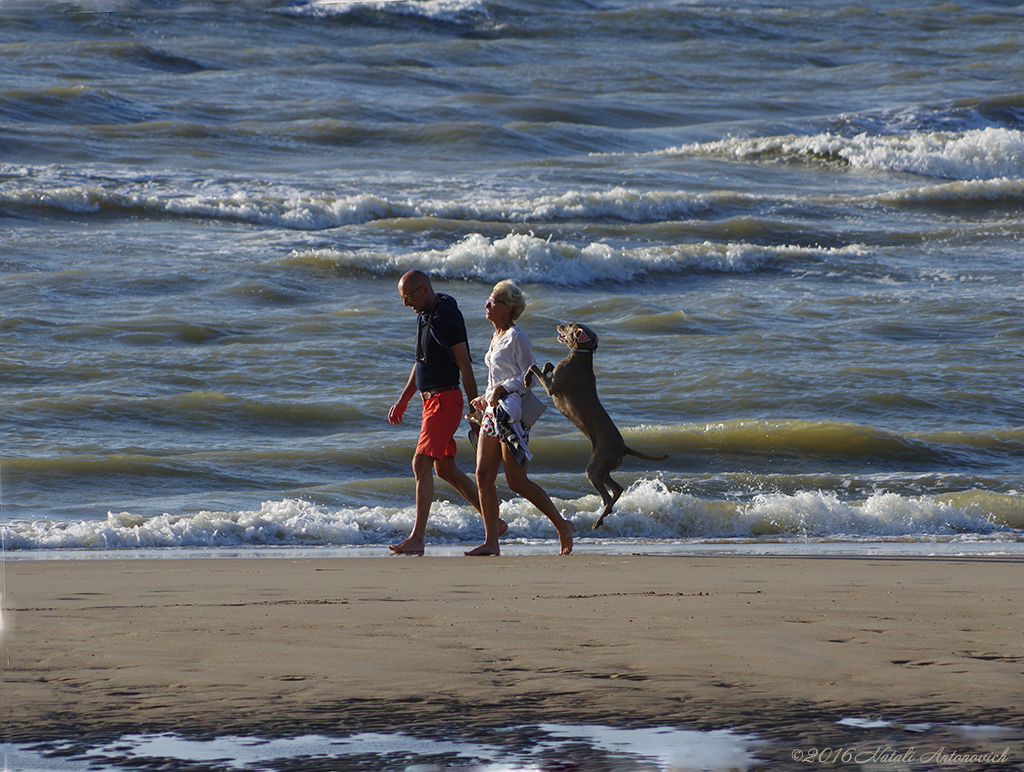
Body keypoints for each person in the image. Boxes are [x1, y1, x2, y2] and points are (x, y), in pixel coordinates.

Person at [465, 280, 574, 556]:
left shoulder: (517, 336)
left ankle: (562, 525)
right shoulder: (495, 337)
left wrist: (504, 388)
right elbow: (496, 377)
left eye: (493, 301)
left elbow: (530, 378)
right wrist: (486, 395)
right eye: (488, 300)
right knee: (482, 477)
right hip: (492, 413)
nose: (487, 305)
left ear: (508, 308)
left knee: (517, 481)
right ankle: (491, 542)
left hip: (511, 415)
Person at [388, 270, 487, 555]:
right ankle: (495, 520)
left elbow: (465, 366)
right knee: (444, 468)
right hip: (430, 402)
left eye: (408, 297)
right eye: (402, 298)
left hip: (445, 401)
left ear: (423, 290)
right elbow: (421, 361)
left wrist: (474, 406)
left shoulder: (446, 318)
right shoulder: (425, 314)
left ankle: (417, 539)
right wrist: (404, 398)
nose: (406, 304)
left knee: (420, 464)